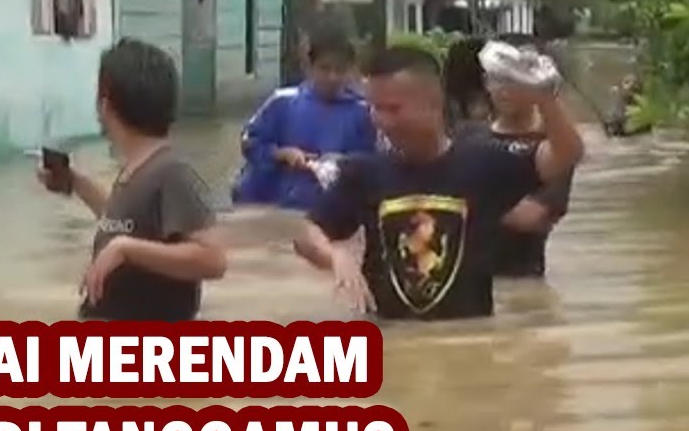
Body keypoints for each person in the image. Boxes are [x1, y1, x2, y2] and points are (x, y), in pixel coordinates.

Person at [291, 45, 585, 320]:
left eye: (394, 109)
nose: (382, 121)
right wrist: (336, 255)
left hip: (469, 337)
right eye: (375, 108)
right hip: (389, 337)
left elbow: (566, 154)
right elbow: (306, 234)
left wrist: (545, 97)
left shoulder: (483, 162)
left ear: (434, 104)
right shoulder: (364, 172)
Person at [36, 38, 227, 321]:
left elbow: (213, 260)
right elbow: (124, 222)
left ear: (105, 104)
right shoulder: (139, 170)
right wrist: (75, 182)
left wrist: (127, 250)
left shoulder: (172, 173)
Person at [457, 62, 577, 278]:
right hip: (467, 277)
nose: (504, 89)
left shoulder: (555, 148)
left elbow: (530, 217)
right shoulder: (467, 136)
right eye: (497, 79)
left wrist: (462, 200)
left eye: (513, 80)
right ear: (486, 83)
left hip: (521, 276)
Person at [231, 37, 377, 212]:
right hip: (270, 203)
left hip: (329, 210)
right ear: (310, 68)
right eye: (324, 68)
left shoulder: (363, 113)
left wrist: (341, 162)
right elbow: (250, 142)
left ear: (351, 72)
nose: (332, 77)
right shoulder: (283, 102)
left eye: (340, 70)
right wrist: (281, 153)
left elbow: (371, 162)